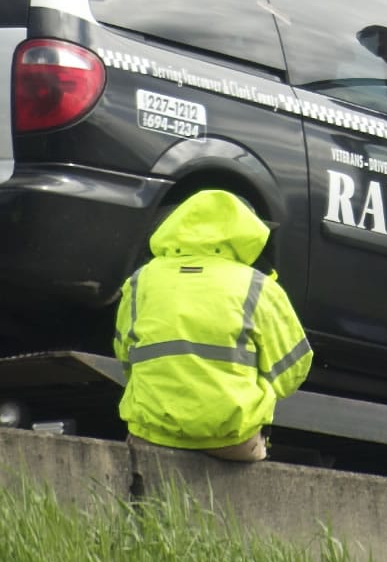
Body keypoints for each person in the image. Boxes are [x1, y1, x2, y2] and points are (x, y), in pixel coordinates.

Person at [113, 188, 313, 461]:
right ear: (245, 233)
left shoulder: (141, 281)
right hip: (232, 439)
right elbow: (294, 367)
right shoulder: (257, 286)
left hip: (152, 432)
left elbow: (125, 355)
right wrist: (255, 393)